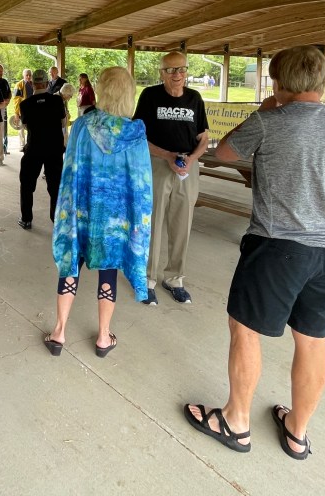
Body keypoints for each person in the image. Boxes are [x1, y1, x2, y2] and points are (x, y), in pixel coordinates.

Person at [184, 46, 325, 459]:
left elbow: (224, 153)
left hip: (278, 247)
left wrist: (261, 112)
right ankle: (297, 431)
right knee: (312, 340)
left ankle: (236, 421)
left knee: (246, 330)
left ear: (276, 83)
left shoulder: (268, 121)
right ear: (322, 83)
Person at [45, 67, 152, 358]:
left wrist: (65, 212)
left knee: (71, 265)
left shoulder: (82, 125)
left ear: (102, 91)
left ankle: (59, 333)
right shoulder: (135, 133)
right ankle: (104, 337)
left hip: (81, 214)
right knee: (109, 270)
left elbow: (70, 172)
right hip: (115, 221)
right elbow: (141, 186)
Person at [132, 51, 208, 305]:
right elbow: (139, 135)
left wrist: (192, 159)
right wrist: (167, 156)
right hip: (158, 164)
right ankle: (148, 279)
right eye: (171, 70)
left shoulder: (194, 98)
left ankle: (175, 278)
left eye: (182, 69)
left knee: (182, 225)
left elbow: (203, 137)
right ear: (162, 73)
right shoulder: (150, 96)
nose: (178, 74)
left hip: (187, 168)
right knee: (153, 223)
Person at [18, 69, 65, 230]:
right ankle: (56, 219)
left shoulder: (25, 104)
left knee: (27, 184)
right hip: (54, 149)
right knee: (55, 186)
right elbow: (63, 121)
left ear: (32, 83)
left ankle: (26, 219)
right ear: (46, 83)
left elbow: (25, 125)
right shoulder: (57, 101)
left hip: (34, 148)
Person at [11, 68, 34, 150]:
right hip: (22, 110)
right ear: (23, 75)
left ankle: (30, 144)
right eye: (26, 75)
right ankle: (22, 145)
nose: (28, 77)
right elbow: (16, 100)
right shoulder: (19, 85)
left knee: (31, 128)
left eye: (30, 75)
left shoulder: (34, 84)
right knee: (21, 128)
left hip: (32, 110)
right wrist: (16, 113)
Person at [0, 64, 12, 156]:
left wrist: (8, 100)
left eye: (2, 71)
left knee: (3, 128)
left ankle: (4, 148)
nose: (1, 73)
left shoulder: (4, 81)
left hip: (3, 107)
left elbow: (9, 92)